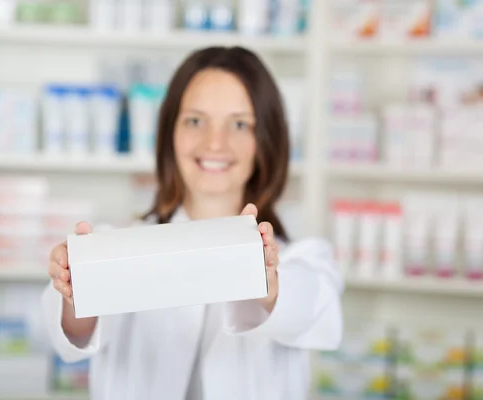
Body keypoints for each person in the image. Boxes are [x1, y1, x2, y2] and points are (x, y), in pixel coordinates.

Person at [42, 46, 343, 400]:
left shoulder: (303, 259)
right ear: (170, 132)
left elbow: (314, 311)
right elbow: (71, 338)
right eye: (196, 121)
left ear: (266, 141)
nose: (215, 143)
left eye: (240, 124)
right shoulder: (113, 246)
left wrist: (268, 281)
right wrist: (76, 287)